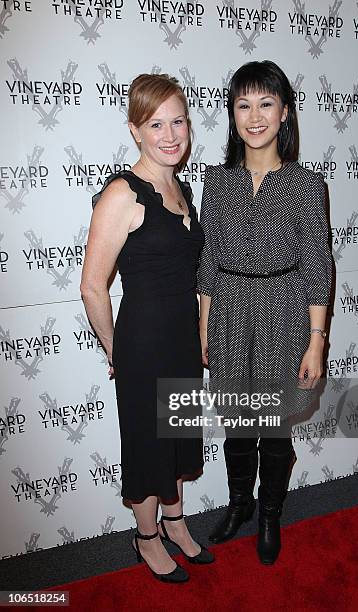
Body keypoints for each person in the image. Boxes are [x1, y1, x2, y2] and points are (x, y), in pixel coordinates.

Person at [80, 73, 214, 584]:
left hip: (181, 339)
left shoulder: (180, 189)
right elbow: (93, 286)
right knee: (147, 444)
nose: (170, 134)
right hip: (143, 342)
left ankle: (175, 523)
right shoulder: (123, 193)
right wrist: (118, 350)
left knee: (177, 439)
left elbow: (197, 275)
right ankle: (146, 537)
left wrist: (201, 332)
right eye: (155, 123)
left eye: (178, 121)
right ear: (135, 129)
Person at [197, 60, 332, 565]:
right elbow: (208, 258)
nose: (255, 116)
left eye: (266, 103)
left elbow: (319, 265)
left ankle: (271, 514)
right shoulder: (217, 181)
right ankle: (239, 505)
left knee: (274, 428)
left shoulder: (306, 185)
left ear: (285, 113)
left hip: (285, 312)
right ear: (232, 116)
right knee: (237, 424)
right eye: (243, 105)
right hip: (229, 310)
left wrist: (316, 340)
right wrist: (205, 324)